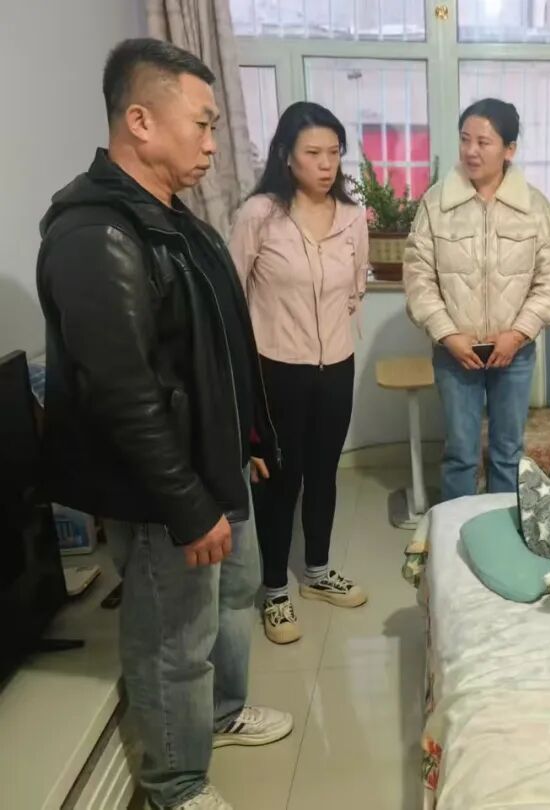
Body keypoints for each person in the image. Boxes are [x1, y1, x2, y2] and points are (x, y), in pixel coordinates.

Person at [36, 39, 292, 810]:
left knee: (232, 598)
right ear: (140, 121)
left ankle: (222, 713)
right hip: (165, 490)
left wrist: (247, 440)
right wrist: (185, 503)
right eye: (203, 123)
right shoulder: (96, 235)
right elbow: (123, 393)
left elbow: (215, 345)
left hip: (214, 462)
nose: (213, 143)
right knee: (172, 640)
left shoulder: (172, 219)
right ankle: (174, 784)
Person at [229, 102, 369, 646]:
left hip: (336, 366)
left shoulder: (352, 217)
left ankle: (317, 571)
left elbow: (355, 288)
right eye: (313, 153)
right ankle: (274, 590)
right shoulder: (259, 214)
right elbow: (232, 295)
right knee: (279, 481)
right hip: (275, 370)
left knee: (324, 471)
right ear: (286, 155)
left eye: (334, 152)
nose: (326, 164)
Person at [403, 98, 550, 501]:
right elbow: (418, 278)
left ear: (509, 149)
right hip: (455, 352)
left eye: (483, 142)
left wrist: (519, 333)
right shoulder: (436, 203)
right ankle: (454, 533)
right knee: (460, 453)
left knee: (507, 453)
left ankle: (501, 527)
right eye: (465, 140)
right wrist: (447, 334)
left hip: (514, 352)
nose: (471, 151)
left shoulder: (534, 207)